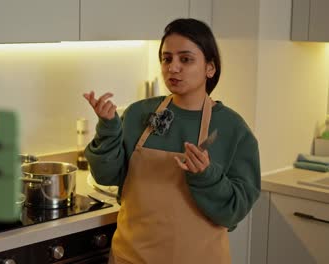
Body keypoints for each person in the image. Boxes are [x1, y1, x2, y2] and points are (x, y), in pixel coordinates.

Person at [82, 18, 260, 264]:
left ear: (210, 67)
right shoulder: (137, 115)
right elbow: (106, 175)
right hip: (131, 258)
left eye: (185, 59)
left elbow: (234, 211)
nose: (172, 68)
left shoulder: (233, 129)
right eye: (167, 59)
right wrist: (109, 127)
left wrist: (206, 177)